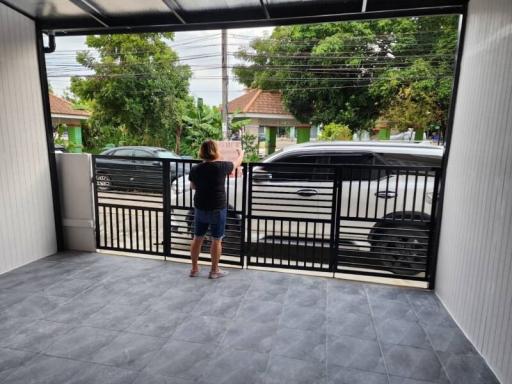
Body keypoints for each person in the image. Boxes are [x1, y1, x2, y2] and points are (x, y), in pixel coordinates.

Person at [188, 140, 244, 279]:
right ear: (216, 151)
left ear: (202, 152)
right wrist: (241, 153)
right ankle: (214, 271)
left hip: (200, 207)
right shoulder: (221, 167)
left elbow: (193, 187)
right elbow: (237, 163)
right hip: (217, 209)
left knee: (197, 238)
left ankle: (194, 269)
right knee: (216, 240)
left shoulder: (196, 169)